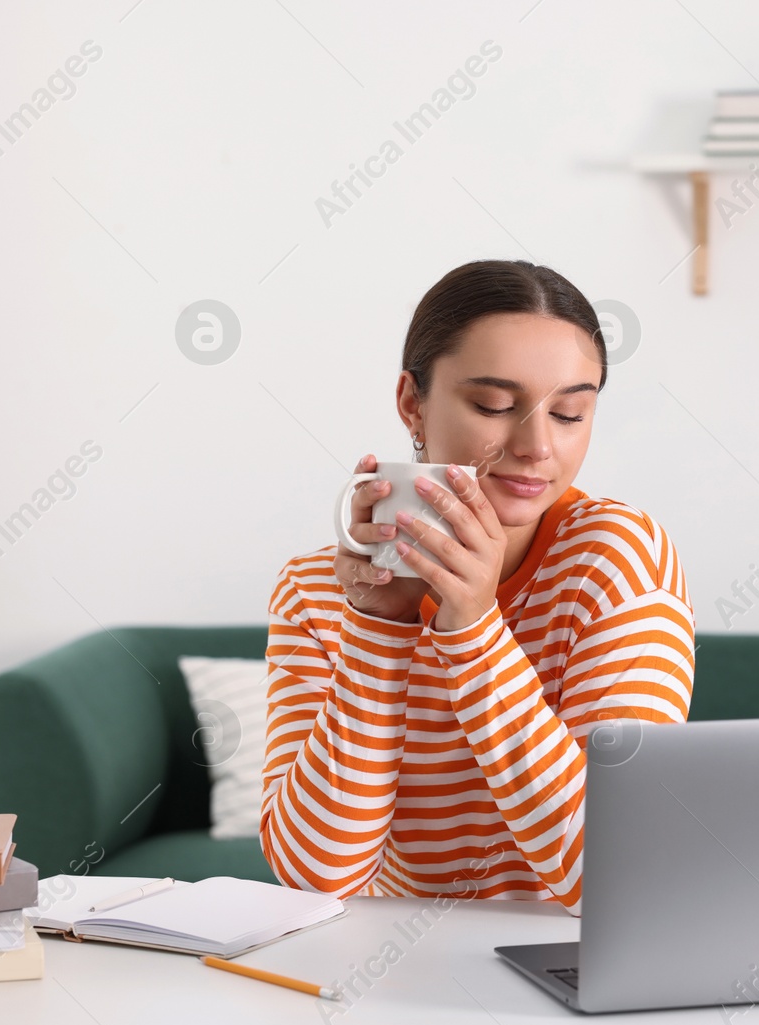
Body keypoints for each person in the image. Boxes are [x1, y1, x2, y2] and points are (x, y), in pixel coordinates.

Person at [261, 259, 695, 915]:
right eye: (495, 405)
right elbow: (316, 877)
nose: (538, 446)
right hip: (389, 976)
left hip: (577, 962)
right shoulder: (317, 589)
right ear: (413, 401)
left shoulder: (619, 560)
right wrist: (380, 627)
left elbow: (611, 871)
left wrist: (472, 629)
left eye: (571, 413)